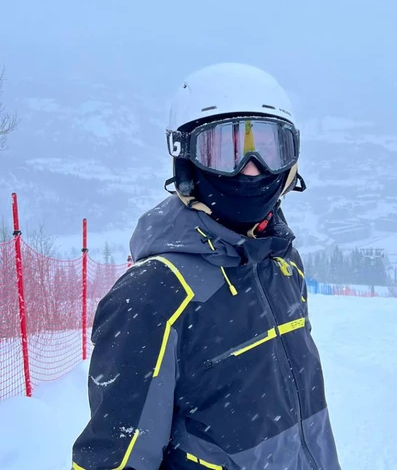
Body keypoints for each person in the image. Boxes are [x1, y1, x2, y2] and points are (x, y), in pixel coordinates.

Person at [72, 63, 341, 470]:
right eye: (226, 151)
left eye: (269, 149)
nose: (251, 168)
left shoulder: (281, 264)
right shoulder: (154, 293)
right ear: (187, 160)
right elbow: (115, 459)